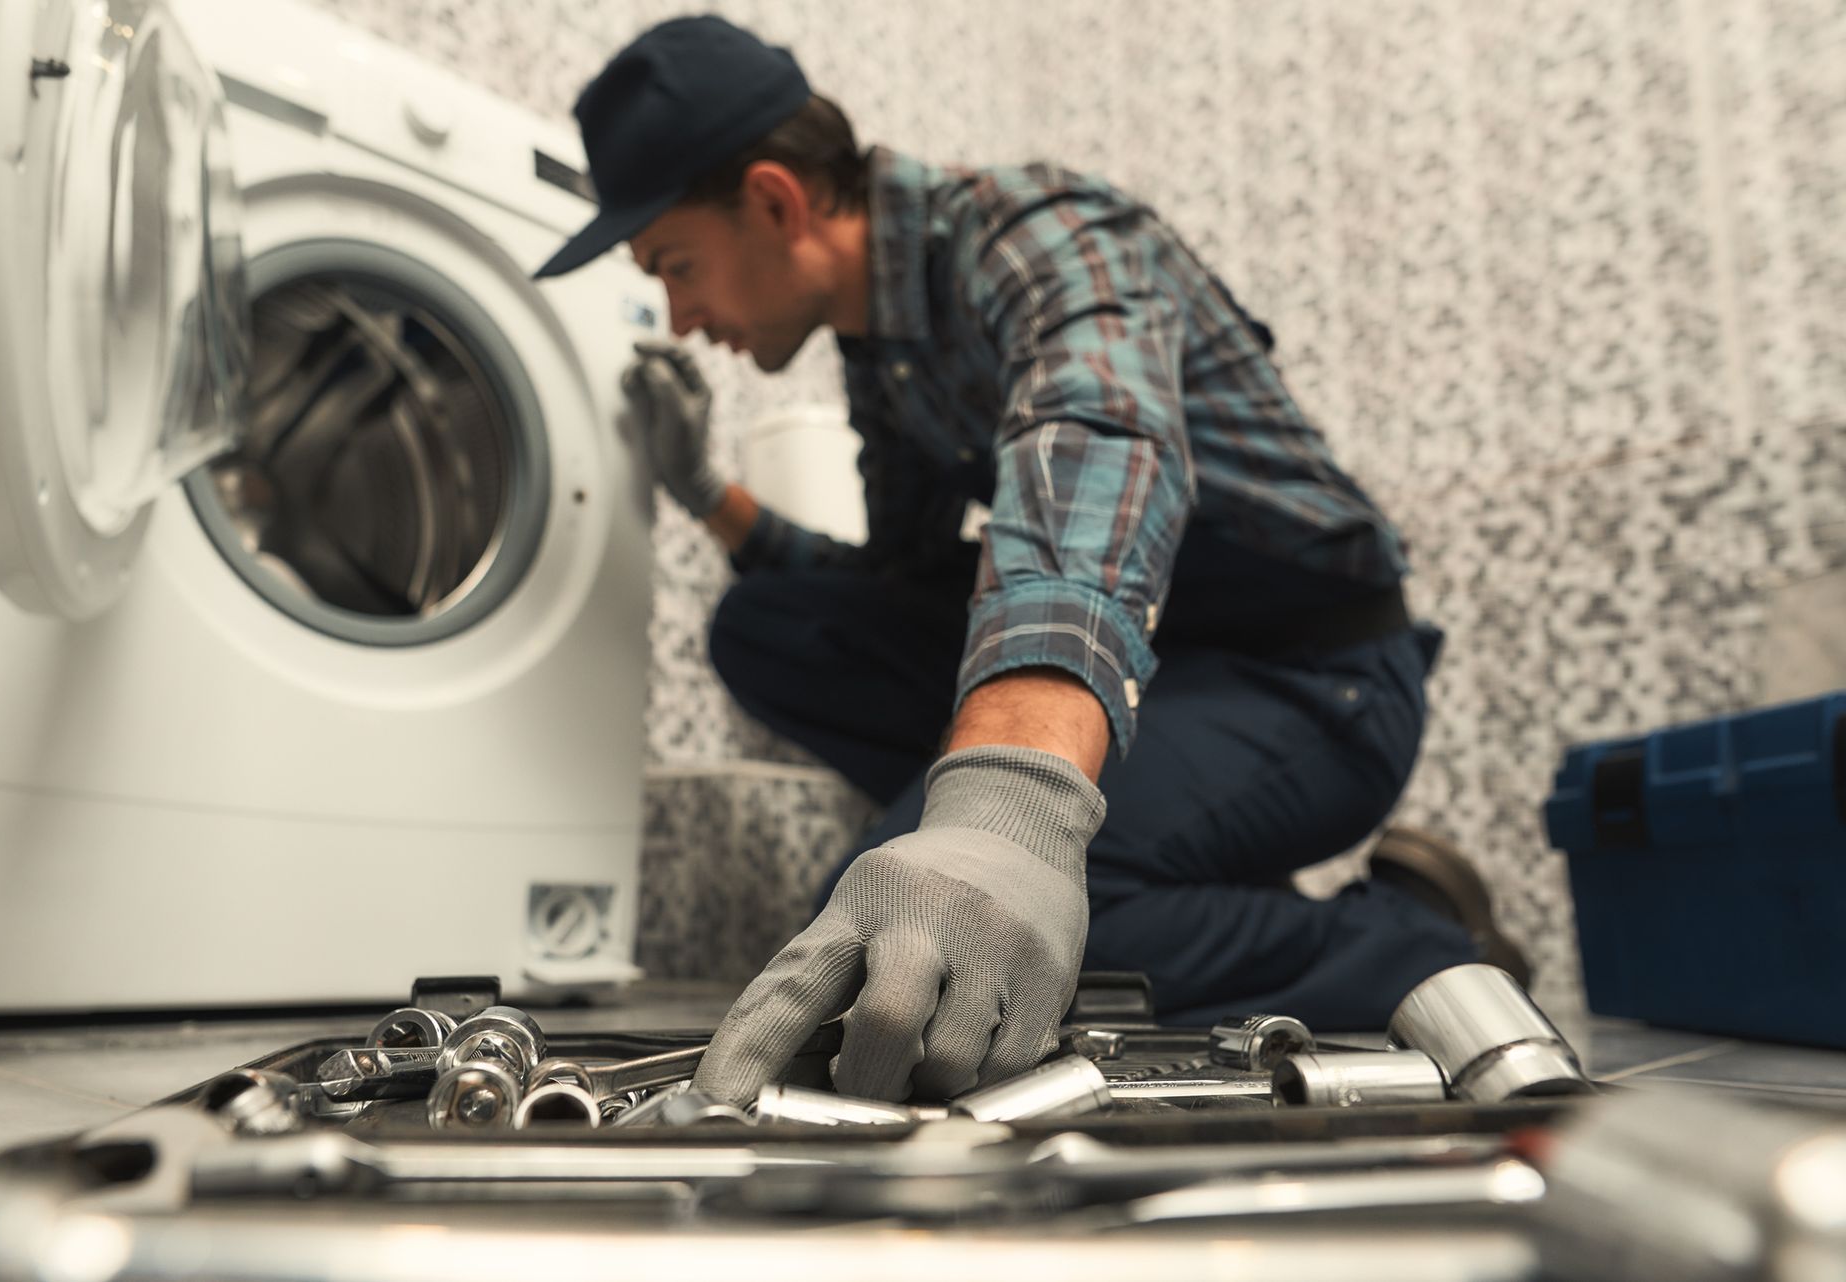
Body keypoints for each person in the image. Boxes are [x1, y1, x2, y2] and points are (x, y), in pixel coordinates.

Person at [536, 15, 1528, 1108]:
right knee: (772, 625)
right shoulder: (884, 354)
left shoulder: (1042, 230)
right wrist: (708, 496)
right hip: (1160, 685)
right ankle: (1159, 863)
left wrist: (1010, 807)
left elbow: (1095, 447)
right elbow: (896, 593)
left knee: (912, 952)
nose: (679, 317)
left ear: (775, 200)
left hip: (1312, 680)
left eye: (675, 266)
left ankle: (1410, 933)